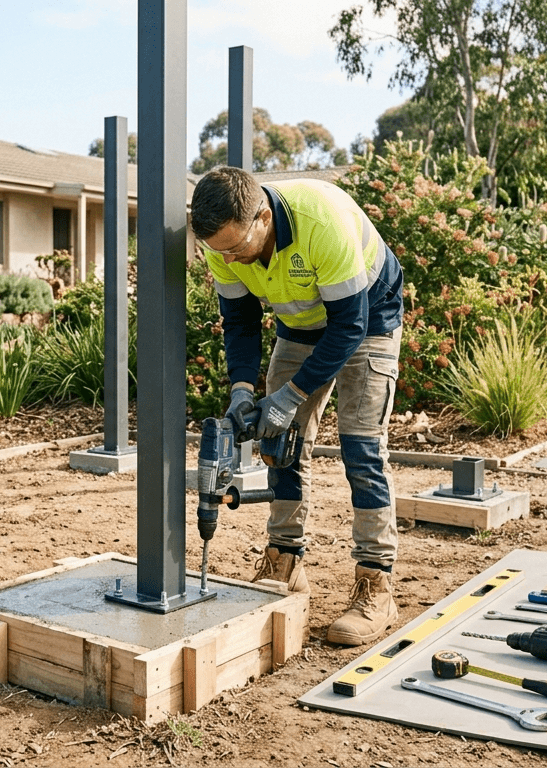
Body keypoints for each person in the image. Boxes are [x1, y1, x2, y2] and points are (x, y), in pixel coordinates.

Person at [190, 166, 405, 647]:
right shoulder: (223, 243)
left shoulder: (321, 221)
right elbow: (240, 320)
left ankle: (377, 583)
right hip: (301, 324)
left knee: (362, 449)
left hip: (368, 317)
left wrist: (289, 396)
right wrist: (242, 391)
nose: (228, 259)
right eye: (219, 252)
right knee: (280, 443)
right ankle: (284, 561)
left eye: (235, 247)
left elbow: (349, 326)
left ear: (263, 217)